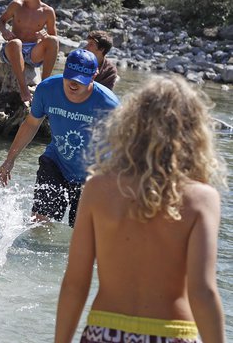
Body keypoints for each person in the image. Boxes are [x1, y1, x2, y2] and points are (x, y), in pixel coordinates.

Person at [55, 75, 225, 342]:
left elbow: (76, 283)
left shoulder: (97, 189)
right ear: (195, 134)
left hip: (104, 333)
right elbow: (202, 292)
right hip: (172, 334)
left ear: (130, 127)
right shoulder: (202, 198)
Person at [0, 49, 119, 227]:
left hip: (92, 175)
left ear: (94, 76)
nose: (74, 85)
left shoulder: (108, 105)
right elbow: (31, 124)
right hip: (56, 163)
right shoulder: (47, 89)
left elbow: (123, 147)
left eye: (81, 80)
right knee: (38, 225)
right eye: (70, 78)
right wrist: (9, 160)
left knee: (81, 233)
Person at [0, 0, 59, 103]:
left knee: (53, 41)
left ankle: (43, 86)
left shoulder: (48, 11)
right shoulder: (16, 5)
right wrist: (4, 31)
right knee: (16, 43)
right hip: (12, 49)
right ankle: (23, 88)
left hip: (33, 52)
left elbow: (53, 37)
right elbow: (1, 21)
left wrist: (45, 36)